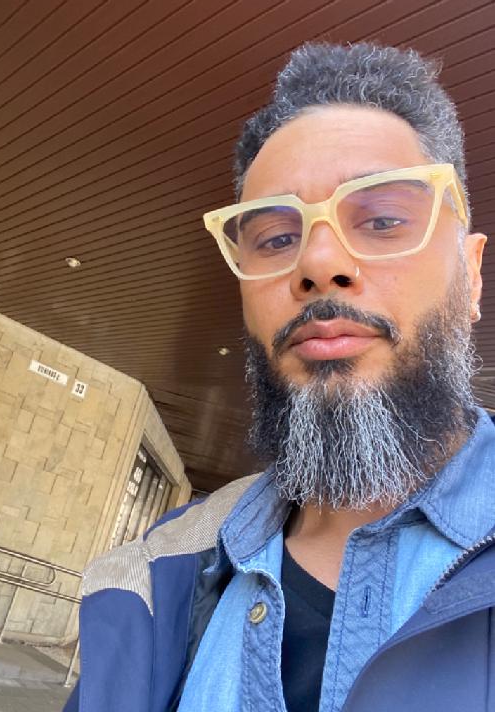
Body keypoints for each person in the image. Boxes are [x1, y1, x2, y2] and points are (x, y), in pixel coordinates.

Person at [64, 42, 494, 712]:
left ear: (471, 274)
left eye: (383, 220)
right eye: (275, 238)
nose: (318, 263)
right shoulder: (152, 574)